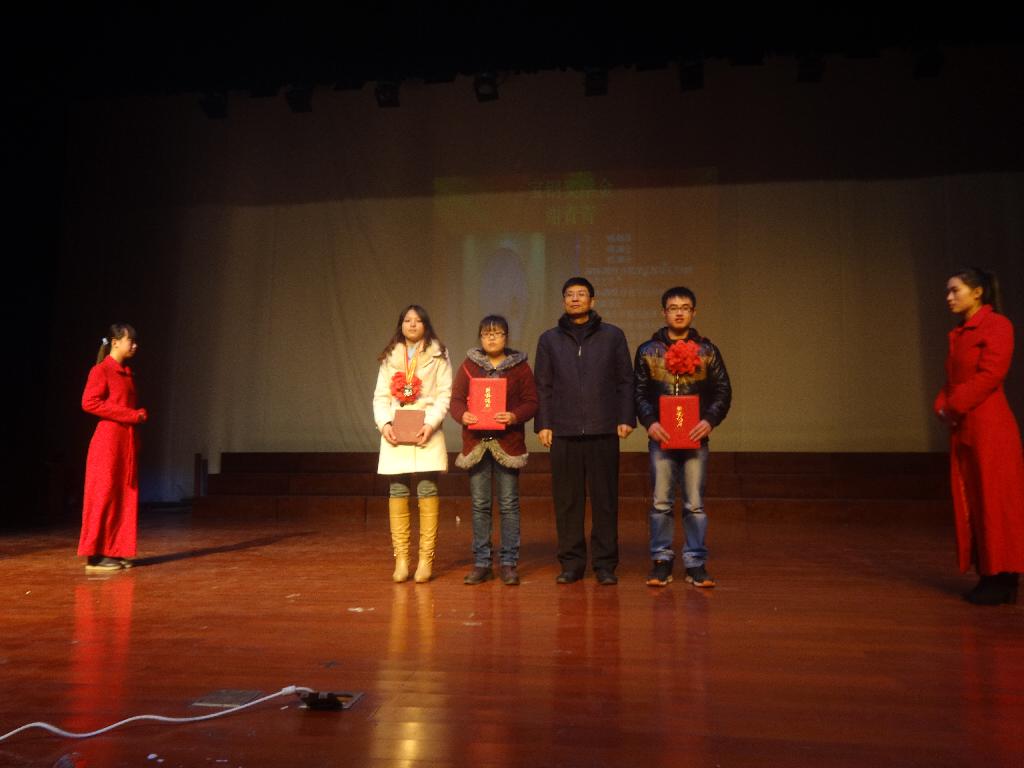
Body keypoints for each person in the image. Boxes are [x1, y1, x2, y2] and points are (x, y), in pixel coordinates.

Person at [534, 277, 635, 585]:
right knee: (567, 502)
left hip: (603, 428)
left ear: (593, 300)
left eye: (581, 294)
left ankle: (605, 564)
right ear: (563, 301)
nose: (575, 299)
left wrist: (626, 417)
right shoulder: (549, 339)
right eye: (570, 294)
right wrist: (544, 423)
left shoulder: (613, 336)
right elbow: (543, 385)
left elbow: (625, 380)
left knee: (605, 500)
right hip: (563, 431)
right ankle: (572, 563)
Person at [934, 267, 1024, 605]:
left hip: (990, 427)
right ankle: (990, 574)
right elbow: (954, 379)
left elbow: (990, 375)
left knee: (995, 502)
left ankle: (1003, 577)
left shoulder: (997, 326)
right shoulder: (959, 333)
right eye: (948, 291)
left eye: (955, 290)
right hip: (966, 427)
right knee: (975, 501)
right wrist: (942, 403)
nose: (949, 297)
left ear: (978, 292)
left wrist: (953, 405)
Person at [634, 287, 732, 588]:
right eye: (673, 308)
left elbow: (723, 391)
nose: (679, 312)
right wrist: (649, 422)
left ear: (693, 312)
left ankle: (696, 562)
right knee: (661, 502)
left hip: (695, 438)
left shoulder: (707, 351)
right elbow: (638, 393)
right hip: (661, 437)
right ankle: (661, 561)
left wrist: (709, 421)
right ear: (664, 312)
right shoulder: (648, 351)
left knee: (694, 504)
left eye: (685, 307)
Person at [450, 315, 538, 586]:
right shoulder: (469, 366)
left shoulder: (519, 367)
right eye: (486, 333)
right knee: (480, 505)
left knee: (509, 504)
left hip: (508, 443)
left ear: (506, 337)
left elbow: (532, 402)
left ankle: (509, 563)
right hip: (476, 443)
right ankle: (482, 563)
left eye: (497, 333)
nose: (491, 338)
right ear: (480, 337)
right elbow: (455, 400)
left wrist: (513, 416)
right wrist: (463, 415)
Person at [373, 305, 452, 583]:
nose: (412, 324)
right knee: (397, 490)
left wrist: (430, 424)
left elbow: (444, 394)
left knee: (427, 488)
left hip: (426, 429)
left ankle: (426, 559)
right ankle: (402, 559)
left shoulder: (439, 353)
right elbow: (380, 396)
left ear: (425, 325)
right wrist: (385, 423)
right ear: (401, 325)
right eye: (407, 320)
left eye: (418, 320)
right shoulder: (390, 355)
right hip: (396, 430)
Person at [78, 324, 148, 572]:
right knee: (103, 494)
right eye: (131, 341)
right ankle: (95, 555)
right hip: (108, 442)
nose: (135, 345)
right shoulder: (102, 370)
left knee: (121, 496)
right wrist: (131, 415)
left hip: (123, 441)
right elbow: (89, 402)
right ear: (115, 342)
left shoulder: (126, 373)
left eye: (136, 341)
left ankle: (113, 550)